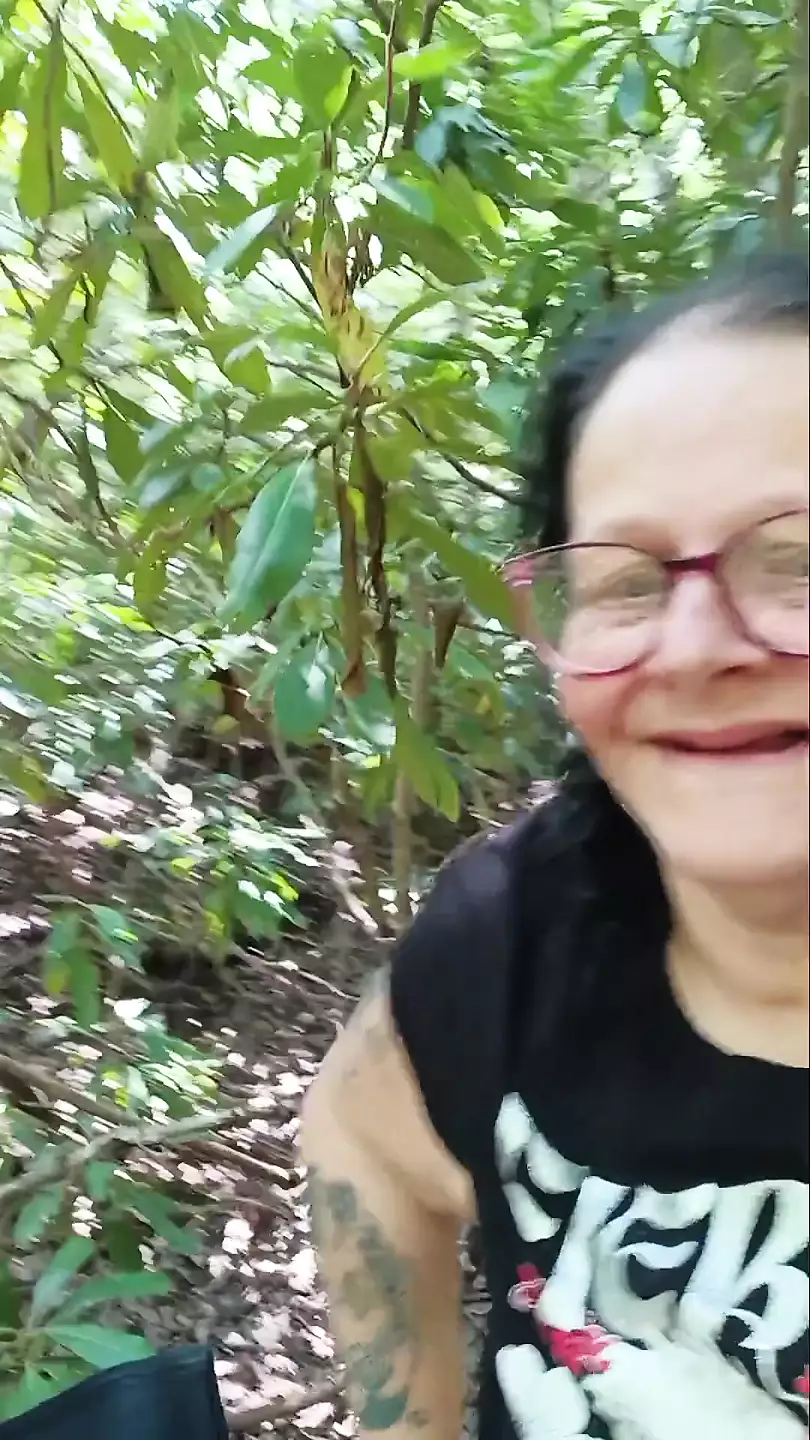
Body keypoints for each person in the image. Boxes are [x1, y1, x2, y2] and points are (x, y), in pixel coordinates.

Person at [300, 251, 809, 1440]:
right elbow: (361, 1134)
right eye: (625, 583)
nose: (694, 649)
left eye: (796, 559)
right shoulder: (512, 937)